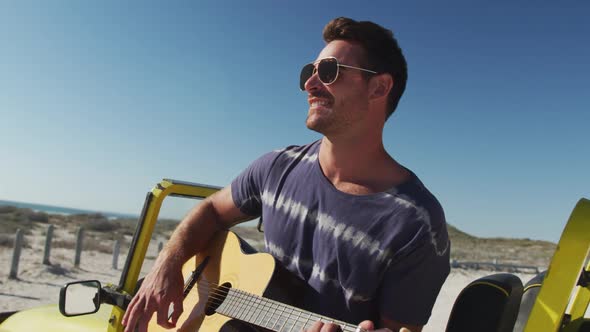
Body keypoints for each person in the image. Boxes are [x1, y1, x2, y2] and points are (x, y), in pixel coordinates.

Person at [122, 17, 450, 332]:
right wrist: (167, 264)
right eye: (310, 71)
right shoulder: (276, 166)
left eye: (329, 71)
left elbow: (399, 328)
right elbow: (210, 210)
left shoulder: (416, 222)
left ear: (379, 88)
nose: (309, 83)